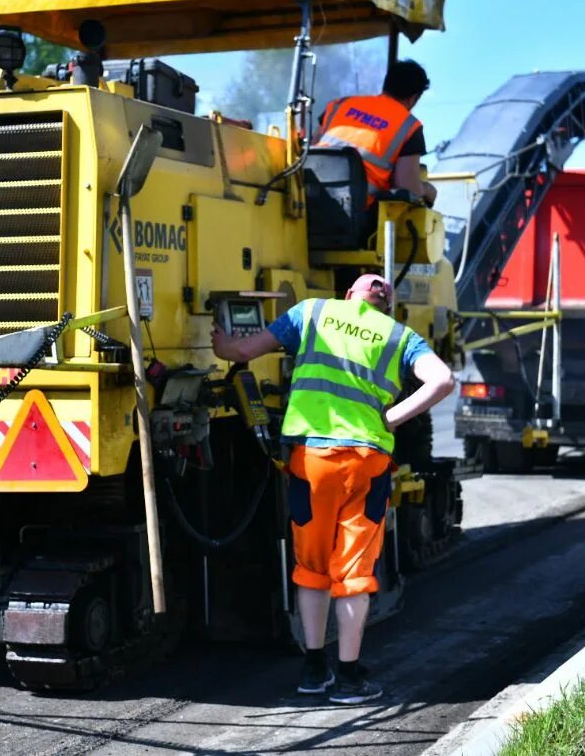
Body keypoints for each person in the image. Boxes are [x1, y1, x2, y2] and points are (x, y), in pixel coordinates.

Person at [210, 274, 457, 704]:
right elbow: (443, 381)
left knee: (312, 567)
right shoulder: (399, 336)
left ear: (349, 295)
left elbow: (241, 351)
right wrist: (394, 417)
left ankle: (313, 668)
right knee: (354, 573)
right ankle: (348, 678)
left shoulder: (313, 312)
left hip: (312, 462)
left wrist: (217, 340)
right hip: (365, 465)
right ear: (387, 303)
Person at [314, 59, 438, 208]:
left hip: (309, 197)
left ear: (386, 84)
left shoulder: (338, 105)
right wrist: (427, 190)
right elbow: (407, 186)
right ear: (414, 98)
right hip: (354, 213)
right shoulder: (409, 126)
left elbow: (313, 148)